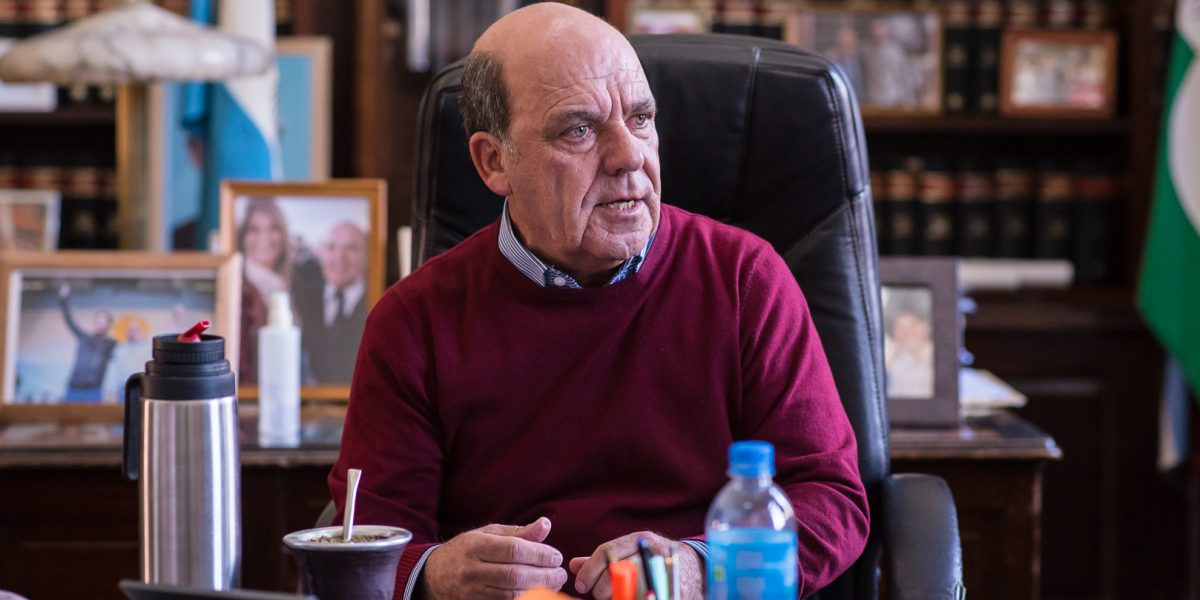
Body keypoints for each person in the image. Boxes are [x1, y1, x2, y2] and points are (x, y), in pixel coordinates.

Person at [329, 4, 869, 599]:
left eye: (640, 119)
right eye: (579, 130)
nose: (629, 156)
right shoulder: (414, 322)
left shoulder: (745, 280)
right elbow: (366, 538)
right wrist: (435, 573)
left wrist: (697, 570)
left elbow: (831, 501)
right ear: (494, 161)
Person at [292, 221, 369, 384]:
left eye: (351, 248)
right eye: (331, 247)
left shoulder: (378, 301)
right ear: (320, 253)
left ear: (367, 254)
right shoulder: (304, 299)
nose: (339, 257)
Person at [237, 198, 292, 385]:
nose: (264, 237)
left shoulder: (295, 286)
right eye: (254, 229)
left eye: (273, 228)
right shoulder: (238, 294)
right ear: (242, 237)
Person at [58, 283, 116, 403]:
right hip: (74, 388)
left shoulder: (110, 344)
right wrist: (63, 299)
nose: (100, 324)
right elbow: (69, 320)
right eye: (98, 321)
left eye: (103, 322)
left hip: (93, 390)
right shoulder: (84, 337)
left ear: (109, 325)